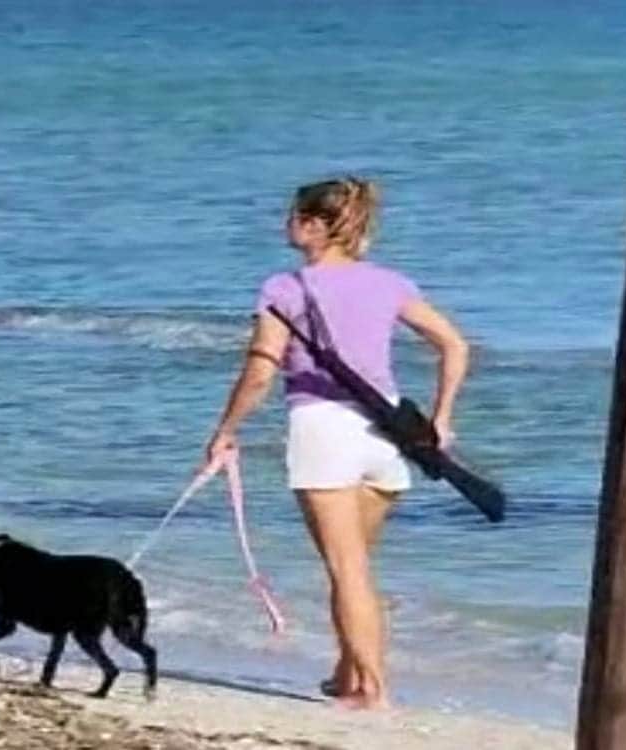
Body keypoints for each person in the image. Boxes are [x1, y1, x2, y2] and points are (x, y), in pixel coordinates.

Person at [204, 177, 469, 709]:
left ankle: (372, 690)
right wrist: (441, 418)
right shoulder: (390, 283)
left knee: (347, 569)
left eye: (293, 216)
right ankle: (348, 675)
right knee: (356, 568)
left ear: (314, 226)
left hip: (323, 431)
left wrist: (225, 432)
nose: (286, 224)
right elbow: (454, 344)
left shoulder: (284, 288)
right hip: (386, 433)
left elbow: (261, 371)